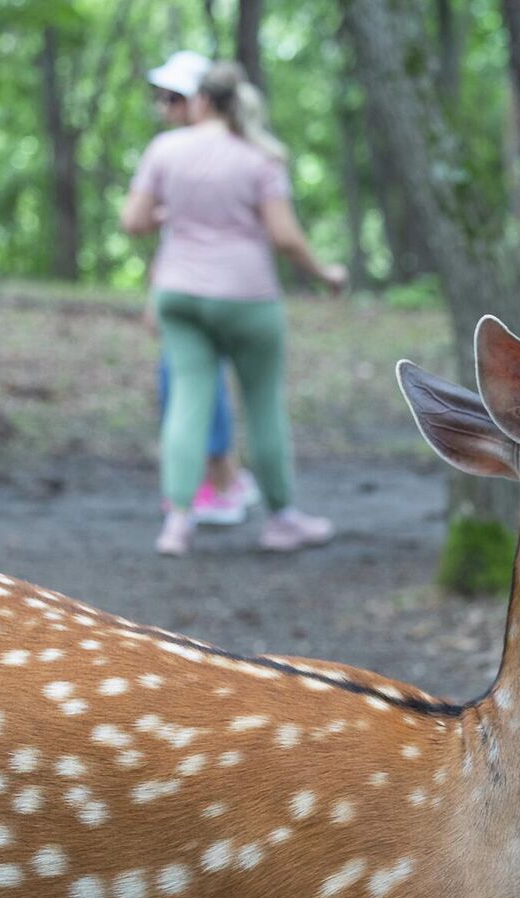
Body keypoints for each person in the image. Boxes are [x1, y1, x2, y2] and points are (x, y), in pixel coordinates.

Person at [121, 61, 347, 557]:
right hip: (246, 297)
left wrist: (175, 213)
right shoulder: (259, 158)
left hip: (178, 294)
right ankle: (282, 520)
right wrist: (324, 272)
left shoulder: (165, 149)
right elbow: (285, 237)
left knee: (186, 401)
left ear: (200, 101)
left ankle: (177, 524)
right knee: (262, 404)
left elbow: (133, 220)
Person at [143, 50, 259, 526]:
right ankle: (220, 480)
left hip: (209, 289)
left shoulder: (210, 152)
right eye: (161, 97)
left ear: (201, 101)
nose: (162, 107)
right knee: (186, 382)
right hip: (189, 284)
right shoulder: (181, 150)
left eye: (172, 98)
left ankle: (219, 484)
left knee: (191, 383)